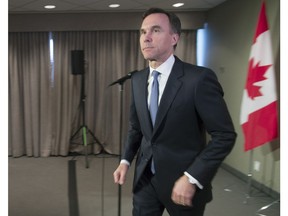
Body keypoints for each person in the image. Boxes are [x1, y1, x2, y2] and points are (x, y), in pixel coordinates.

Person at [113, 7, 237, 216]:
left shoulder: (198, 79)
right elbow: (137, 128)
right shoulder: (137, 80)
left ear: (174, 38)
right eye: (143, 32)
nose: (147, 38)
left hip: (183, 184)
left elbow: (224, 135)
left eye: (155, 31)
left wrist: (192, 177)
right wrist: (125, 160)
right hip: (145, 181)